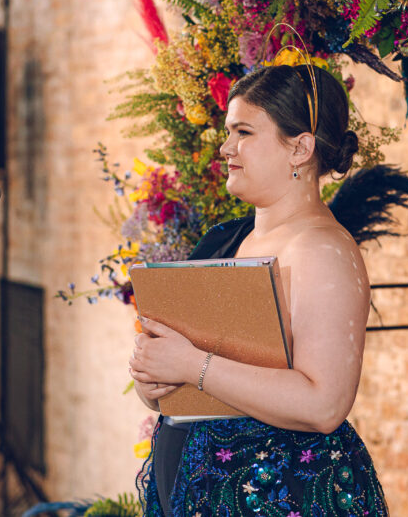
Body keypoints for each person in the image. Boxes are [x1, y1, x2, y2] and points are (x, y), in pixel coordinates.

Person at [128, 63, 389, 516]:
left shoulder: (321, 250)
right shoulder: (223, 240)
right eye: (229, 132)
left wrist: (190, 364)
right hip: (196, 490)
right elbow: (173, 387)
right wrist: (150, 375)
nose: (226, 147)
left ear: (300, 148)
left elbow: (324, 404)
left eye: (244, 132)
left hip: (280, 495)